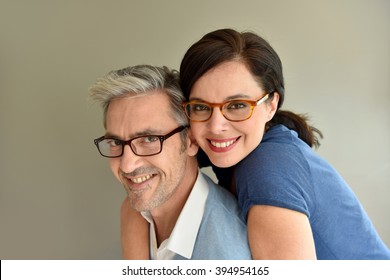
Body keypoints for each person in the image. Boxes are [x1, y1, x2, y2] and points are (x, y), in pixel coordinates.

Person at [179, 28, 390, 259]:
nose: (216, 126)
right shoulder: (233, 147)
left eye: (237, 105)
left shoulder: (268, 167)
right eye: (201, 107)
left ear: (271, 104)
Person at [89, 65, 251, 260]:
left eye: (149, 139)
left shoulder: (227, 255)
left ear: (190, 140)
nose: (127, 165)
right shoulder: (138, 213)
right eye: (115, 142)